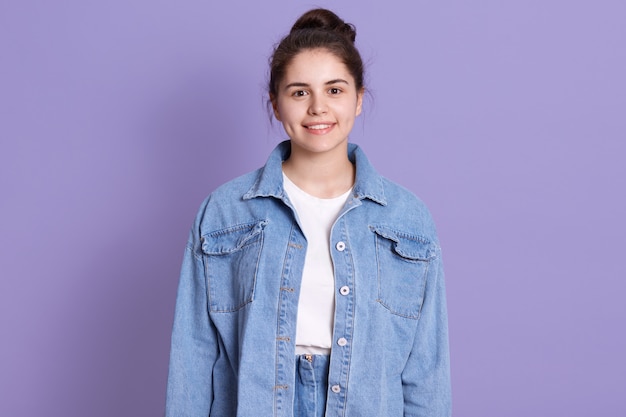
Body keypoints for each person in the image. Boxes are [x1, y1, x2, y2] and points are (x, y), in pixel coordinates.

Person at [165, 8, 451, 417]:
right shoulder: (225, 213)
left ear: (358, 99)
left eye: (334, 90)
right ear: (276, 104)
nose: (318, 107)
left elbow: (426, 370)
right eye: (300, 92)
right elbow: (193, 357)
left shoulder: (407, 220)